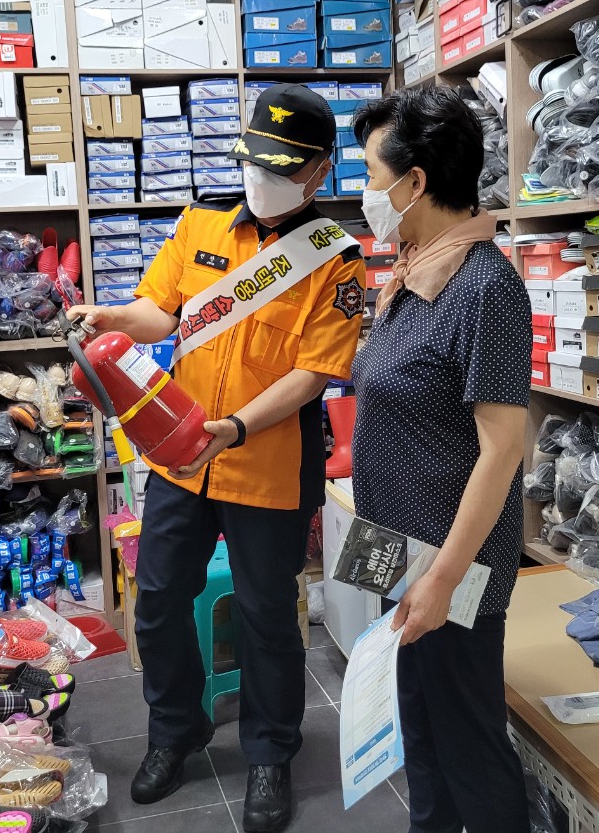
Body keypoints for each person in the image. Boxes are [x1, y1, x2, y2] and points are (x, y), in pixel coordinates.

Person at [70, 84, 366, 833]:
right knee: (159, 597)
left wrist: (235, 427)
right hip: (181, 457)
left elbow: (315, 374)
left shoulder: (336, 260)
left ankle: (270, 751)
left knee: (267, 615)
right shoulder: (200, 222)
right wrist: (111, 316)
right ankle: (176, 730)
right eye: (254, 162)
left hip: (267, 461)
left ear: (319, 171)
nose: (260, 178)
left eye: (280, 167)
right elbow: (158, 312)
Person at [349, 87, 533, 833]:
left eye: (371, 174)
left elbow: (503, 450)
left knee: (468, 742)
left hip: (451, 563)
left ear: (415, 181)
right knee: (416, 727)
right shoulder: (413, 270)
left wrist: (443, 579)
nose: (365, 192)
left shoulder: (486, 287)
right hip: (394, 545)